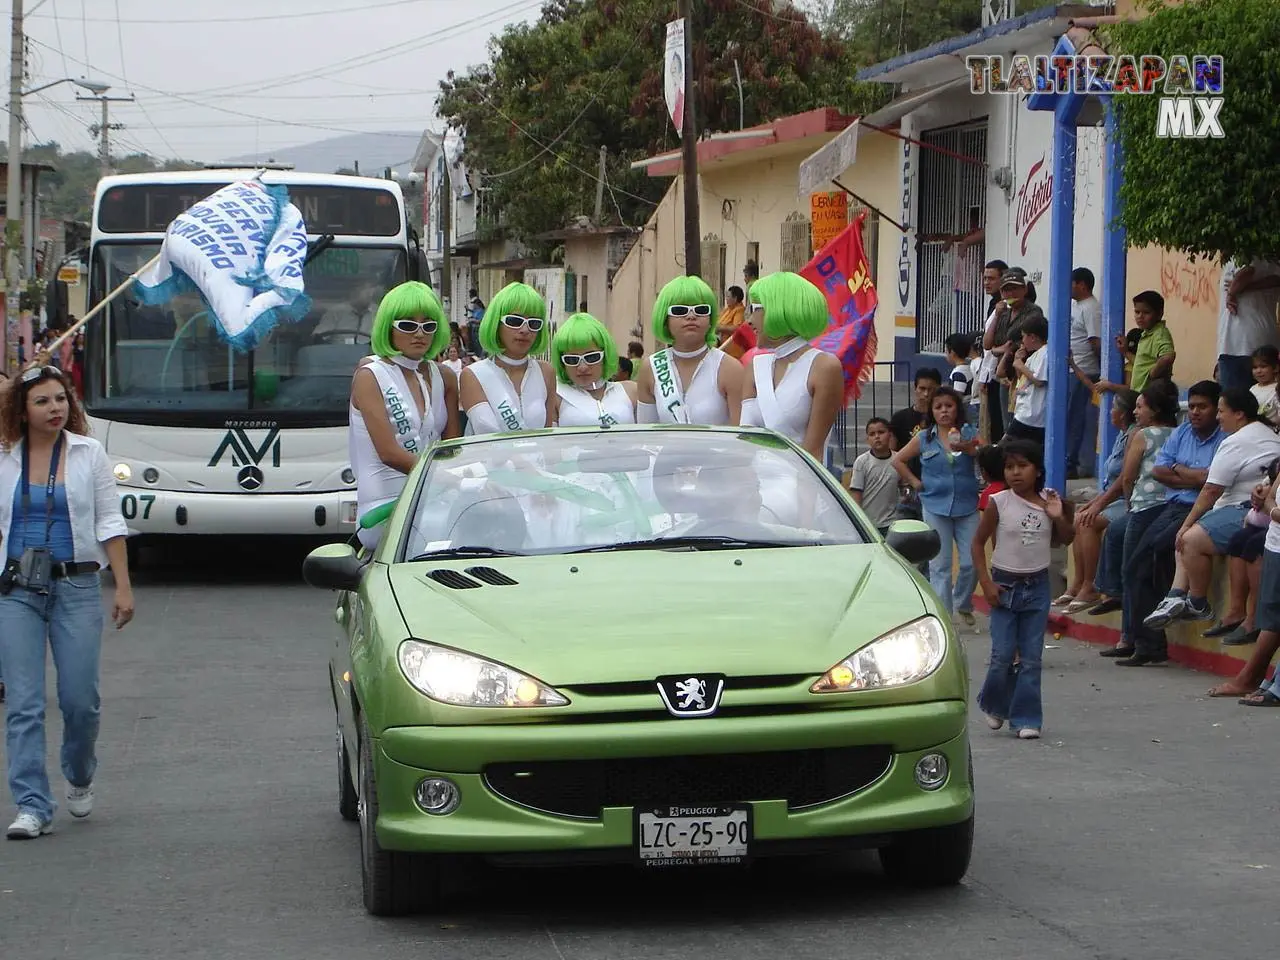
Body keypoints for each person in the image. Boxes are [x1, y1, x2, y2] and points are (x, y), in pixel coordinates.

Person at [0, 365, 134, 839]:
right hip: (16, 590)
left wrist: (122, 585)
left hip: (76, 585)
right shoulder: (5, 457)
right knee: (23, 703)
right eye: (42, 401)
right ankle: (32, 805)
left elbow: (109, 521)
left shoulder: (87, 452)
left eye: (60, 399)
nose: (54, 408)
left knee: (80, 702)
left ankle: (79, 772)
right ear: (22, 410)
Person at [1144, 388, 1280, 629]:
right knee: (1182, 536)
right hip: (1248, 510)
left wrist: (1186, 525)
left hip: (1244, 511)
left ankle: (1197, 602)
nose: (1218, 417)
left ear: (1239, 414)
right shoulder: (1266, 434)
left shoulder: (1237, 441)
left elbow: (1210, 490)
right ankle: (1175, 596)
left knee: (1189, 539)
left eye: (1221, 411)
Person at [1116, 380, 1223, 666]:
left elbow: (1211, 482)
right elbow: (1161, 471)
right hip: (1173, 506)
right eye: (1193, 406)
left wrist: (1179, 471)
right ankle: (1147, 643)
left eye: (1203, 407)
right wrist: (1190, 475)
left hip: (1202, 510)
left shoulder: (1224, 438)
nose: (1195, 412)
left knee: (1155, 552)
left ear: (1217, 409)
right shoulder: (1182, 432)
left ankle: (1168, 614)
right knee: (1136, 566)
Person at [973, 439, 1073, 739]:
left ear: (1038, 470)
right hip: (1004, 585)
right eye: (1009, 467)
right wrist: (986, 583)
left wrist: (1057, 515)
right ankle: (994, 703)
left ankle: (1027, 718)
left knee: (1030, 657)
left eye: (1022, 466)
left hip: (1037, 586)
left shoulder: (1049, 500)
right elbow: (978, 543)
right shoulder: (999, 502)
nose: (1015, 472)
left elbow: (1067, 538)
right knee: (1003, 654)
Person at [348, 282, 458, 550]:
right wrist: (452, 478)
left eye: (428, 326)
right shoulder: (370, 375)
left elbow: (452, 448)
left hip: (436, 496)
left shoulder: (445, 376)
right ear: (389, 327)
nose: (419, 333)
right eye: (408, 325)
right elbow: (389, 453)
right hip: (384, 507)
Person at [891, 386, 982, 623]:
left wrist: (970, 449)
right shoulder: (924, 437)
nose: (944, 411)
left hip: (967, 505)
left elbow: (986, 456)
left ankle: (962, 602)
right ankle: (945, 617)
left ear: (957, 409)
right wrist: (914, 482)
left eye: (949, 406)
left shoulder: (969, 432)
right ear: (931, 411)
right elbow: (898, 460)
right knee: (940, 565)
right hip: (934, 505)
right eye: (938, 407)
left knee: (972, 561)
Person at [738, 271, 844, 461]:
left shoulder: (824, 367)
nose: (749, 320)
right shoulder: (755, 367)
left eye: (755, 309)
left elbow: (814, 452)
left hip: (800, 476)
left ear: (780, 310)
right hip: (753, 476)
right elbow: (744, 440)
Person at [1055, 389, 1139, 614]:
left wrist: (1099, 505)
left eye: (1113, 408)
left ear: (1123, 413)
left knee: (1088, 522)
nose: (1110, 412)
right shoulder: (1121, 436)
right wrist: (1094, 502)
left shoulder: (1135, 435)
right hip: (1114, 498)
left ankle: (1090, 585)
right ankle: (1077, 583)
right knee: (1079, 517)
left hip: (1127, 500)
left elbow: (1123, 479)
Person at [636, 275, 742, 425]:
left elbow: (741, 434)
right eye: (680, 310)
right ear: (665, 319)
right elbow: (646, 433)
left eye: (701, 310)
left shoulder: (730, 368)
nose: (691, 316)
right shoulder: (650, 368)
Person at [458, 282, 557, 434]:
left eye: (534, 323)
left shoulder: (546, 372)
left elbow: (548, 433)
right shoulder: (473, 374)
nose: (525, 330)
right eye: (515, 321)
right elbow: (485, 430)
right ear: (496, 323)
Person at [551, 313, 637, 427]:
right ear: (562, 362)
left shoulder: (631, 391)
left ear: (605, 356)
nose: (582, 367)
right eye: (572, 359)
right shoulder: (554, 394)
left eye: (591, 357)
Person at [1217, 259, 1280, 392]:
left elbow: (1247, 270)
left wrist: (1231, 293)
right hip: (1264, 342)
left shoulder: (1241, 256)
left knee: (1235, 399)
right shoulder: (1272, 261)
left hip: (1236, 345)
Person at [1097, 291, 1174, 396]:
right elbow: (1143, 363)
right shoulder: (1147, 333)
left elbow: (1168, 357)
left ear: (1159, 314)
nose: (1140, 316)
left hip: (1150, 396)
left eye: (1146, 312)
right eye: (1137, 312)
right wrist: (1125, 352)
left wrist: (1152, 374)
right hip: (1142, 396)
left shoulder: (1159, 334)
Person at [1067, 267, 1102, 477]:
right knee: (1070, 416)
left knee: (1076, 418)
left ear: (1081, 284)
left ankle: (1071, 463)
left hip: (1084, 370)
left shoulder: (1091, 308)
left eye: (1071, 282)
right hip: (1073, 369)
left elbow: (1095, 342)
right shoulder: (1077, 306)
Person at [850, 417, 900, 535]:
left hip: (892, 523)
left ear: (890, 435)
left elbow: (904, 487)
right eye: (872, 434)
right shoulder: (862, 462)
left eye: (881, 432)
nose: (877, 437)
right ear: (868, 439)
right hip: (868, 524)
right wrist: (860, 522)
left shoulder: (898, 460)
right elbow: (856, 494)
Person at [1006, 314, 1049, 446]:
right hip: (1023, 410)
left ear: (1033, 337)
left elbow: (1039, 380)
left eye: (1024, 336)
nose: (1022, 341)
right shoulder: (1034, 355)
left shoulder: (1045, 353)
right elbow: (1024, 379)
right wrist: (1018, 361)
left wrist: (1021, 366)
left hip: (1031, 415)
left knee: (1007, 446)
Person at [1250, 344, 1279, 423]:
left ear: (1276, 368)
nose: (1258, 371)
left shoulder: (1277, 389)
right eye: (1255, 367)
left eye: (1263, 366)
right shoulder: (1252, 389)